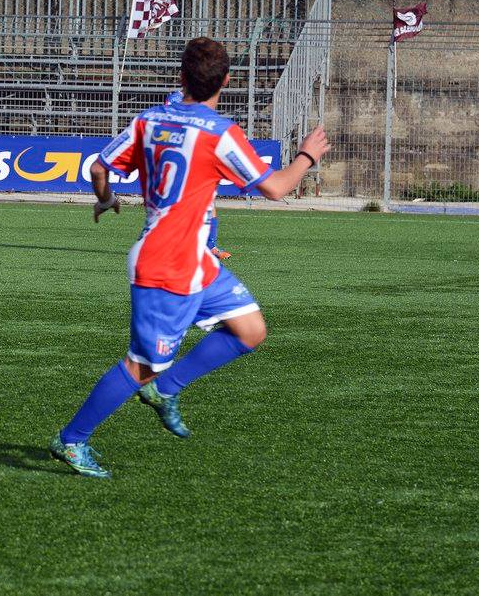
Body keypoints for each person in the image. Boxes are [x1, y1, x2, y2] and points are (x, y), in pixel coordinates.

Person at [51, 36, 330, 478]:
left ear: (180, 76)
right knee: (139, 366)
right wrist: (306, 157)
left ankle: (167, 387)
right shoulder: (220, 133)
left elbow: (99, 167)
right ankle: (71, 440)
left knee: (250, 329)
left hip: (195, 258)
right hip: (168, 266)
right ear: (227, 82)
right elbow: (276, 187)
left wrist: (105, 200)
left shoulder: (149, 120)